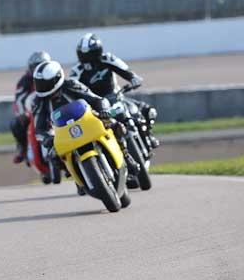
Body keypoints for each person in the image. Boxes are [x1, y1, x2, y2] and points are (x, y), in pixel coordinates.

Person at [31, 60, 140, 194]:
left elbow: (95, 99)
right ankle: (76, 175)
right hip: (63, 132)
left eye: (45, 83)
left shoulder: (71, 84)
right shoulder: (38, 102)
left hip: (88, 119)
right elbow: (39, 129)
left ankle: (126, 155)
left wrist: (103, 109)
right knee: (53, 155)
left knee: (114, 124)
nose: (42, 87)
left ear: (57, 78)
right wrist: (48, 138)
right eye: (39, 84)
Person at [70, 33, 158, 148]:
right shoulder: (77, 71)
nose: (88, 58)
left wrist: (133, 78)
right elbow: (72, 89)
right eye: (84, 55)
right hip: (97, 107)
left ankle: (148, 135)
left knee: (147, 111)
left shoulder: (108, 58)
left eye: (90, 54)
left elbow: (124, 69)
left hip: (116, 97)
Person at [10, 51, 51, 163]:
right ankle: (22, 148)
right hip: (32, 112)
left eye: (42, 66)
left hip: (51, 109)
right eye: (35, 67)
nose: (38, 69)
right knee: (16, 124)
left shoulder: (52, 74)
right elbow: (19, 100)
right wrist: (22, 114)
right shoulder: (24, 81)